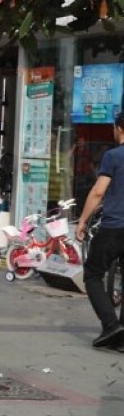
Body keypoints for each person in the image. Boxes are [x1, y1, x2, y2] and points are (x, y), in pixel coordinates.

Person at [78, 111, 124, 349]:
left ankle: (111, 325)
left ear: (119, 129)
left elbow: (98, 191)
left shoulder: (113, 156)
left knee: (93, 274)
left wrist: (83, 220)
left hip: (114, 227)